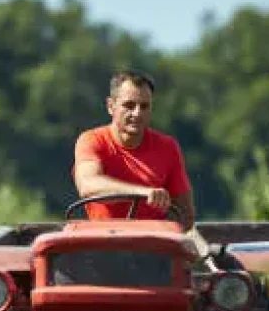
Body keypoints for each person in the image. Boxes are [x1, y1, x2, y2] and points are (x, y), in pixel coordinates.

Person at [72, 69, 197, 231]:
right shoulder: (92, 140)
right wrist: (143, 193)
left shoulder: (168, 147)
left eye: (144, 106)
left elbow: (185, 214)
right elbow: (88, 185)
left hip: (152, 241)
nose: (137, 113)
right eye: (129, 105)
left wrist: (160, 233)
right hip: (103, 239)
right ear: (111, 106)